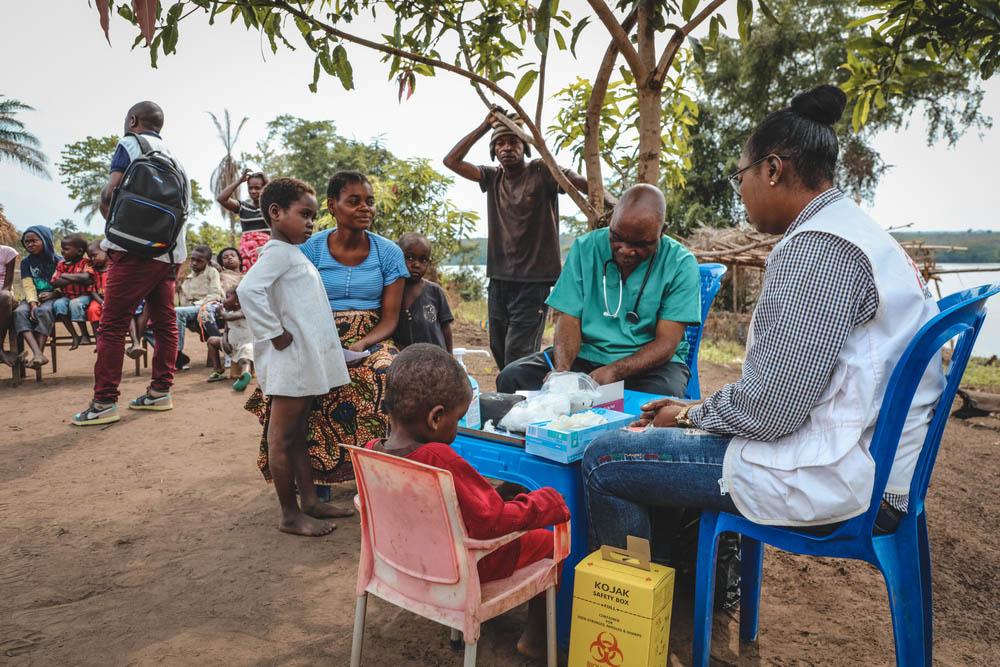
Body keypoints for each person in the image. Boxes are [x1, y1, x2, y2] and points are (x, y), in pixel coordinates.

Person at [582, 86, 946, 560]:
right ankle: (679, 576)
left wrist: (692, 415)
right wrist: (697, 410)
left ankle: (636, 619)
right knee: (664, 439)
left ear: (772, 170)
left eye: (741, 177)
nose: (741, 194)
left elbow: (771, 411)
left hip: (833, 475)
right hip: (876, 465)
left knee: (606, 458)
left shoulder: (817, 249)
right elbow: (793, 388)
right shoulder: (858, 232)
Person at [368, 343, 570, 658]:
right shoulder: (438, 457)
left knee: (506, 495)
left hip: (406, 559)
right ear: (436, 417)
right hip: (465, 566)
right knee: (548, 542)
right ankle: (536, 639)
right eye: (457, 418)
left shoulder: (371, 451)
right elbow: (492, 522)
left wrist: (504, 495)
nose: (458, 425)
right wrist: (546, 503)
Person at [246, 170, 409, 488]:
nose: (366, 208)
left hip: (372, 334)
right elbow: (272, 292)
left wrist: (362, 344)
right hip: (315, 332)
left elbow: (390, 320)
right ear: (333, 206)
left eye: (370, 202)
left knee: (384, 374)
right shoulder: (308, 249)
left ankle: (377, 471)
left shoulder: (388, 252)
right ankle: (317, 474)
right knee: (306, 387)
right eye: (354, 201)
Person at [497, 184, 701, 397]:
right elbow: (569, 319)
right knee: (513, 377)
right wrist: (562, 372)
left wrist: (615, 371)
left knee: (656, 400)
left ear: (662, 232)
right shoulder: (586, 248)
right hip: (586, 357)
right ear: (611, 222)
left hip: (649, 367)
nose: (625, 250)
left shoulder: (680, 263)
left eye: (640, 244)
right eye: (616, 237)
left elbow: (667, 342)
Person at [237, 177, 351, 536]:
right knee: (282, 438)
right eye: (304, 214)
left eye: (313, 217)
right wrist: (274, 333)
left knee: (298, 434)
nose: (310, 223)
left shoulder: (290, 253)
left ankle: (310, 501)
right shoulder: (276, 254)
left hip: (301, 361)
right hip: (290, 362)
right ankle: (289, 515)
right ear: (275, 212)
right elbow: (248, 289)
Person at [443, 110, 591, 370]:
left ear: (525, 147)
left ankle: (521, 402)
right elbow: (451, 161)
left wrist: (612, 201)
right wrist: (484, 125)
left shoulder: (541, 170)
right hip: (499, 280)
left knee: (519, 354)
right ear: (493, 150)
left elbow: (577, 181)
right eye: (500, 143)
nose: (507, 148)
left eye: (514, 142)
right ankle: (516, 397)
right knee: (499, 349)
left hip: (534, 282)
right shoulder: (493, 177)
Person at [73, 101, 187, 427]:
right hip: (169, 252)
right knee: (165, 324)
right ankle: (159, 392)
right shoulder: (175, 158)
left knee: (112, 325)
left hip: (134, 252)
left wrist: (114, 231)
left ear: (133, 120)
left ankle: (104, 401)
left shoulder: (130, 144)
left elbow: (110, 194)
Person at [394, 232, 454, 352]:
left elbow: (445, 328)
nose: (416, 264)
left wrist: (450, 357)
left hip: (436, 359)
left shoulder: (435, 292)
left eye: (423, 260)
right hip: (405, 363)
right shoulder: (391, 291)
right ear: (397, 256)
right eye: (410, 258)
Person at [12, 225, 59, 369]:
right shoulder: (26, 262)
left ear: (45, 240)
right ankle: (37, 353)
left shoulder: (59, 260)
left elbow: (64, 283)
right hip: (33, 297)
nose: (30, 244)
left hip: (53, 297)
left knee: (43, 311)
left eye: (34, 241)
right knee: (19, 312)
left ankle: (38, 355)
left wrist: (54, 293)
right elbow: (28, 284)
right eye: (27, 242)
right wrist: (32, 303)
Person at [174, 244, 224, 371]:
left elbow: (215, 294)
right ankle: (174, 353)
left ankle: (177, 354)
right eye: (193, 259)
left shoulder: (212, 272)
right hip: (192, 310)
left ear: (207, 262)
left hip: (209, 306)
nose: (194, 263)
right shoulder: (189, 277)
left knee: (177, 312)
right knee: (168, 315)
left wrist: (194, 305)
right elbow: (184, 299)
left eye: (199, 261)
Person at [217, 169, 270, 271]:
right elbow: (221, 198)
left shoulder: (271, 208)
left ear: (265, 188)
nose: (253, 191)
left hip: (266, 252)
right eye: (250, 188)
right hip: (247, 255)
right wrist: (239, 181)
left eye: (257, 188)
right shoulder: (243, 207)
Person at [50, 233, 96, 349]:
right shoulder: (61, 264)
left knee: (75, 303)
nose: (62, 252)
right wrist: (76, 278)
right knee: (58, 304)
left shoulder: (86, 262)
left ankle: (85, 334)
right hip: (67, 295)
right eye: (61, 249)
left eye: (66, 249)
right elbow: (54, 282)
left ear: (79, 251)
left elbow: (86, 278)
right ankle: (74, 335)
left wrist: (64, 275)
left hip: (84, 295)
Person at [206, 287, 254, 391]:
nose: (224, 299)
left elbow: (228, 317)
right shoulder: (229, 312)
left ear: (237, 302)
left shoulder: (244, 311)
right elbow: (226, 330)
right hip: (231, 345)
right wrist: (224, 341)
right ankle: (218, 370)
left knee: (244, 360)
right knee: (211, 341)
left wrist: (220, 312)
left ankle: (245, 374)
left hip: (245, 345)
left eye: (227, 297)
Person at [0, 243, 19, 366]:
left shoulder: (8, 252)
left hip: (3, 296)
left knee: (4, 296)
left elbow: (7, 284)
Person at [85, 240, 109, 339]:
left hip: (116, 300)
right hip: (99, 299)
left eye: (94, 255)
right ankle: (98, 340)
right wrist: (102, 302)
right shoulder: (93, 271)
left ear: (105, 251)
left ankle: (111, 340)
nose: (92, 259)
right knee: (92, 310)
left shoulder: (115, 269)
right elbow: (92, 290)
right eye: (90, 257)